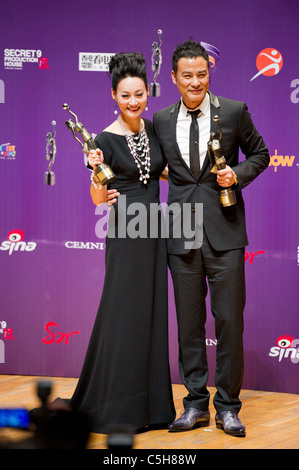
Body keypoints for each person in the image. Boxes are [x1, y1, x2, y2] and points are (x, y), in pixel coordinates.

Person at [152, 40, 270, 437]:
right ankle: (195, 404)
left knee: (228, 323)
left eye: (201, 74)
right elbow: (149, 166)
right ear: (173, 78)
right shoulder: (162, 119)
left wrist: (237, 175)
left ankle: (228, 407)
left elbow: (261, 154)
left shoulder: (234, 112)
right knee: (188, 326)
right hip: (181, 233)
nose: (195, 81)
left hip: (226, 233)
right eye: (187, 75)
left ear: (209, 74)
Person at [68, 52, 175, 434]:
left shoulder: (154, 129)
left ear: (148, 93)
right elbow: (98, 199)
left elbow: (158, 173)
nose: (134, 101)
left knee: (151, 313)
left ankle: (153, 406)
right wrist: (98, 177)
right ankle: (116, 405)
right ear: (114, 95)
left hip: (154, 232)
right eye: (126, 95)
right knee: (124, 313)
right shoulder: (102, 140)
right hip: (127, 234)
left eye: (140, 94)